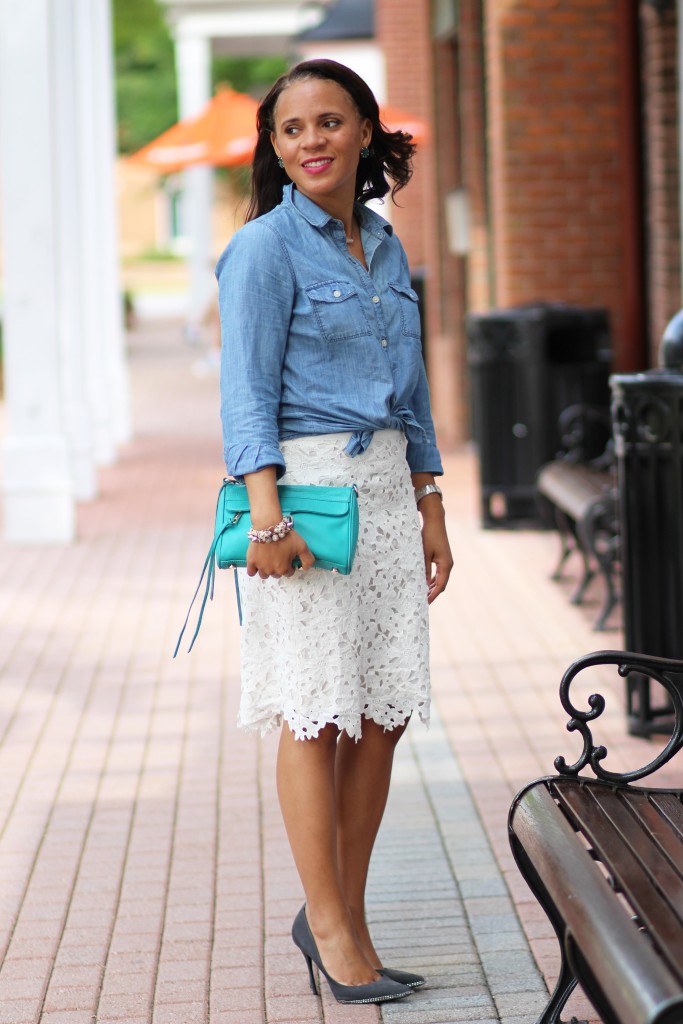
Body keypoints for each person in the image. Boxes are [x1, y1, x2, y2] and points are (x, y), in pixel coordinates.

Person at [216, 59, 453, 1006]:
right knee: (316, 713)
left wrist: (431, 501)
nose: (310, 141)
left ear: (363, 131)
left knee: (383, 713)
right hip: (307, 501)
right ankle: (327, 926)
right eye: (290, 130)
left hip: (390, 498)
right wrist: (264, 513)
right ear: (275, 149)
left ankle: (344, 916)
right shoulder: (265, 251)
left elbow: (414, 387)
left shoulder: (385, 245)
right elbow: (245, 392)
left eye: (328, 122)